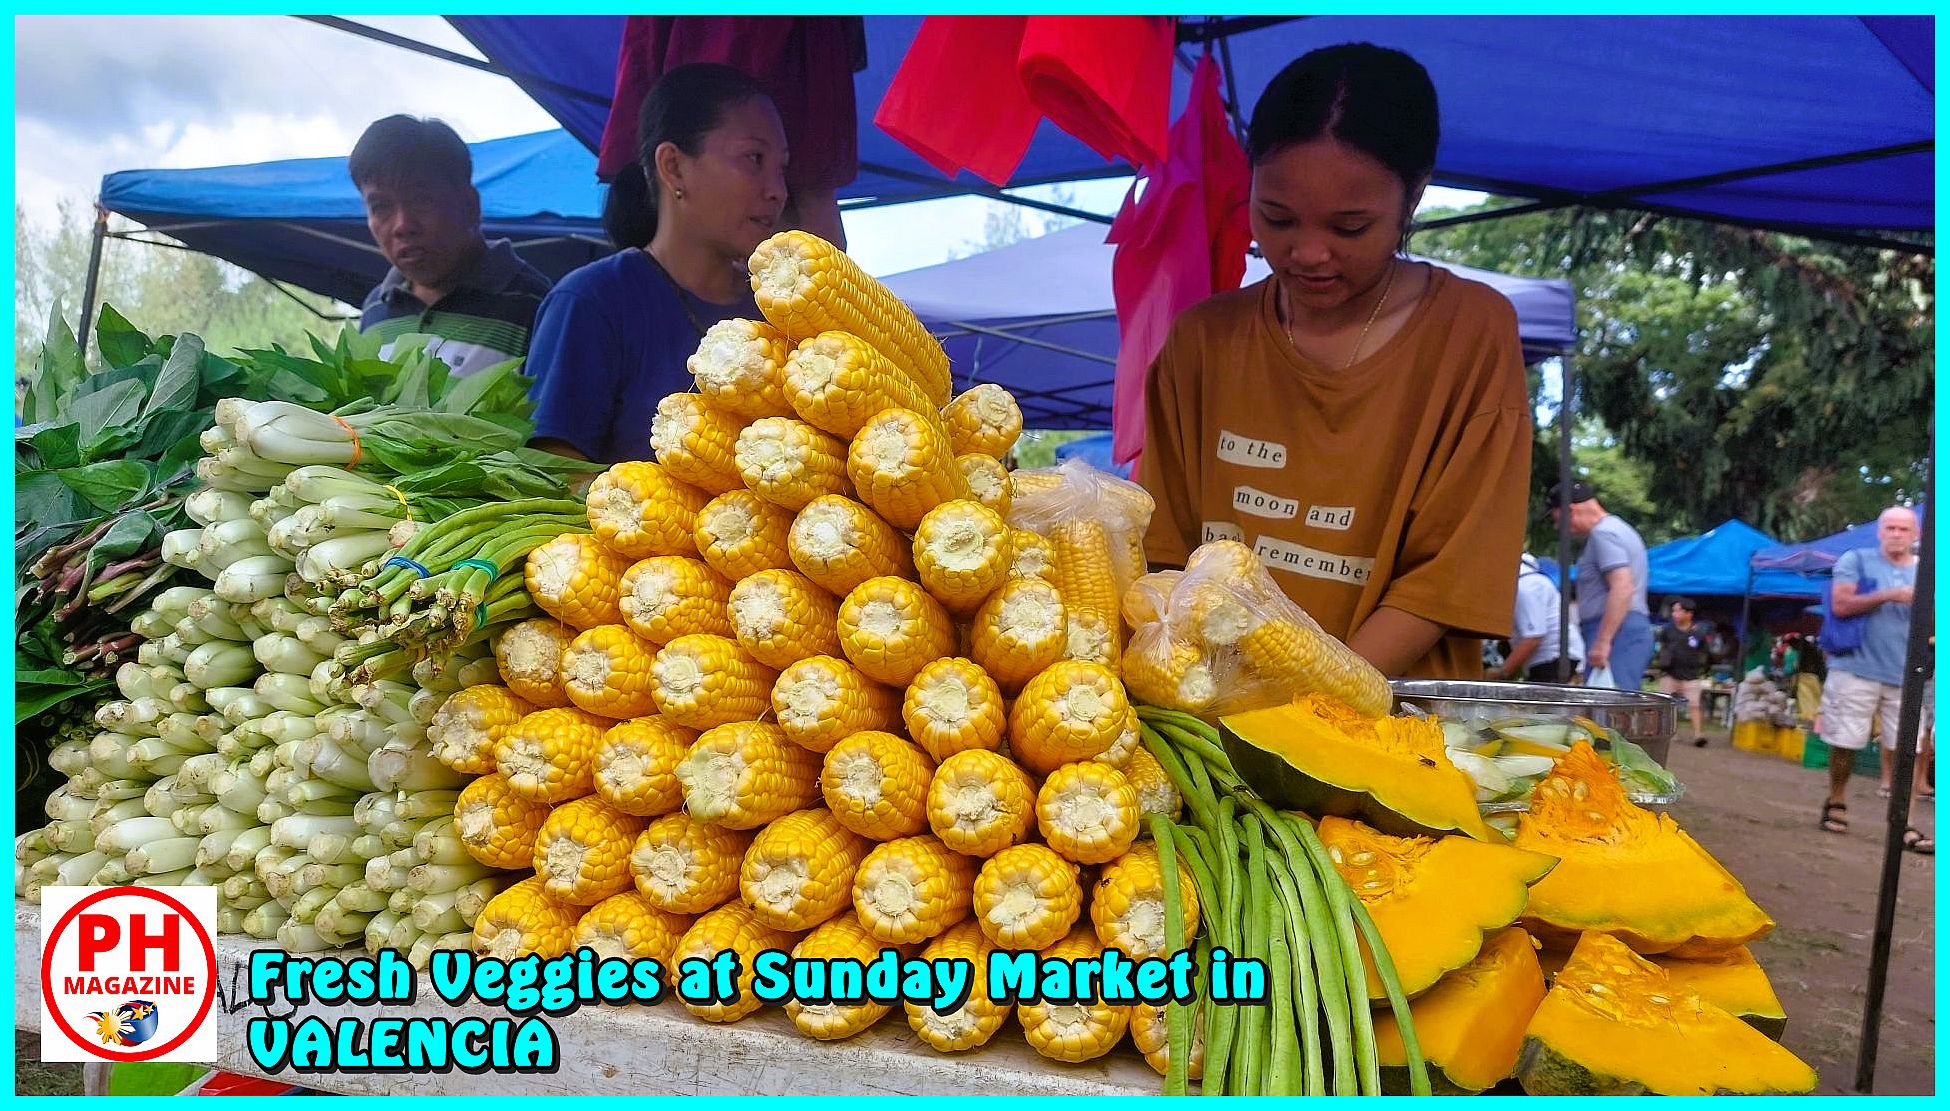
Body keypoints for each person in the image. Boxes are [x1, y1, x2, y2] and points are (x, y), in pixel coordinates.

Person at [1137, 44, 1532, 679]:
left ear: (1415, 196)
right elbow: (1163, 554)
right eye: (1277, 218)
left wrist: (1317, 704)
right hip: (1216, 721)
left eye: (1350, 227)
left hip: (1392, 725)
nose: (1308, 253)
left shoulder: (1471, 331)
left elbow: (1447, 575)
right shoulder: (1202, 341)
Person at [526, 64, 787, 462]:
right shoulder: (591, 302)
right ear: (674, 167)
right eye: (754, 159)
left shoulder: (782, 312)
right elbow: (552, 470)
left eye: (781, 167)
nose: (777, 191)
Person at [352, 115, 552, 376]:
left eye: (421, 200)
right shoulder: (375, 308)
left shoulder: (537, 305)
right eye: (381, 207)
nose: (402, 225)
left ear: (470, 205)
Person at [1817, 506, 1931, 852]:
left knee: (1908, 751)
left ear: (1917, 535)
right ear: (1880, 532)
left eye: (1903, 528)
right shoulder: (1858, 560)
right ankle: (1836, 799)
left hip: (1907, 674)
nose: (1896, 534)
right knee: (1845, 742)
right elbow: (1840, 605)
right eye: (1890, 528)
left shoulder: (1928, 571)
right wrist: (1888, 595)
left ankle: (1905, 822)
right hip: (1855, 668)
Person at [1552, 479, 1653, 691]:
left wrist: (1603, 640)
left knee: (1609, 709)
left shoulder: (1603, 533)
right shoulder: (1621, 529)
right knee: (1616, 703)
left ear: (1570, 510)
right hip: (1625, 627)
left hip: (1616, 630)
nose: (1558, 527)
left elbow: (1622, 587)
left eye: (1558, 520)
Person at [1496, 554, 1583, 683]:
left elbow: (1533, 638)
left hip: (1553, 660)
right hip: (1554, 658)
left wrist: (1502, 672)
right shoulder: (1533, 582)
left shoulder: (1525, 587)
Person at [1656, 597, 1712, 747]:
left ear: (1689, 614)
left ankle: (1698, 734)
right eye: (1674, 610)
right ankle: (1668, 733)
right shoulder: (1667, 631)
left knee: (1694, 704)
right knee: (1666, 705)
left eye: (1678, 610)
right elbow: (1661, 648)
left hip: (1691, 675)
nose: (1675, 614)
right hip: (1670, 674)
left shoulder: (1698, 633)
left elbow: (1705, 653)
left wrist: (1702, 666)